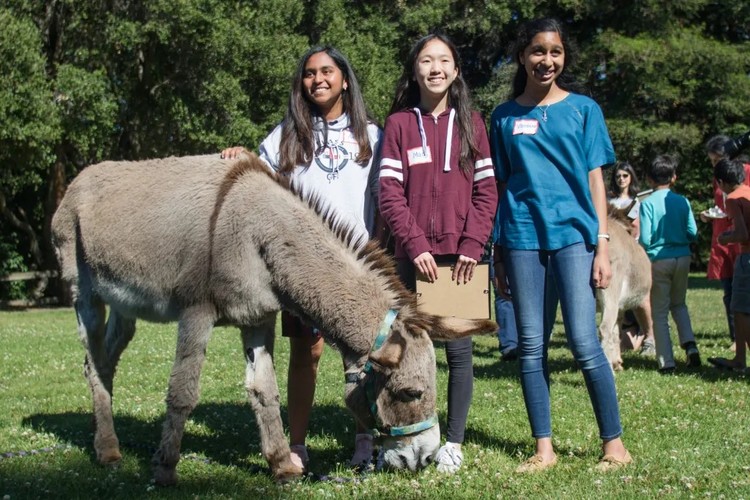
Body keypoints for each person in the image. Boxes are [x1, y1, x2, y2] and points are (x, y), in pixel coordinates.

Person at [221, 46, 382, 471]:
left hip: (356, 264)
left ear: (345, 79)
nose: (318, 80)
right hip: (302, 268)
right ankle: (297, 443)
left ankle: (365, 440)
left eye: (327, 71)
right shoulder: (286, 135)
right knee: (305, 354)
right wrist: (243, 156)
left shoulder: (371, 134)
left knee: (360, 356)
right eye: (309, 74)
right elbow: (260, 177)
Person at [489, 17, 631, 473]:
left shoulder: (584, 110)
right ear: (522, 56)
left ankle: (615, 446)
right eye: (537, 51)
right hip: (522, 238)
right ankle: (543, 449)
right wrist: (498, 252)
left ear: (563, 57)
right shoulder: (503, 116)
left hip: (575, 238)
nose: (546, 60)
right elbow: (500, 184)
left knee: (584, 342)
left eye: (554, 52)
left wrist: (603, 245)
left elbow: (596, 180)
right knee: (531, 346)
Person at [378, 33, 498, 473]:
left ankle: (453, 441)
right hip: (412, 258)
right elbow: (389, 193)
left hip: (460, 261)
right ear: (415, 70)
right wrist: (415, 245)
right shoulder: (399, 125)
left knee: (459, 354)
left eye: (443, 60)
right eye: (426, 60)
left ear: (456, 70)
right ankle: (405, 431)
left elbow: (487, 192)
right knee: (406, 352)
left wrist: (471, 246)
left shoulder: (473, 123)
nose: (435, 68)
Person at [639, 155, 701, 373]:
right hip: (683, 257)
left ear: (648, 179)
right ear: (674, 177)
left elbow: (645, 239)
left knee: (660, 311)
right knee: (679, 304)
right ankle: (690, 345)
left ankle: (667, 361)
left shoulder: (647, 204)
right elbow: (693, 232)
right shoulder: (682, 201)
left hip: (659, 259)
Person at [699, 136, 750, 352]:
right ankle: (737, 345)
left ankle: (740, 348)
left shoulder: (738, 184)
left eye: (716, 159)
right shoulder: (726, 182)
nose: (713, 165)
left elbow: (742, 229)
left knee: (739, 300)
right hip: (730, 238)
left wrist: (726, 237)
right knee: (731, 292)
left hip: (739, 243)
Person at [607, 162, 656, 356]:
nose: (621, 179)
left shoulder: (638, 201)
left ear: (631, 178)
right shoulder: (609, 200)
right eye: (618, 176)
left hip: (633, 249)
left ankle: (651, 337)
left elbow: (638, 226)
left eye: (625, 176)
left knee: (642, 300)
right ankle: (621, 339)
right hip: (613, 252)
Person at [707, 158, 750, 373]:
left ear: (721, 182)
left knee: (740, 309)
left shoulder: (732, 198)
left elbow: (742, 233)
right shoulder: (748, 192)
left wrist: (725, 238)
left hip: (746, 258)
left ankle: (741, 360)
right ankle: (739, 359)